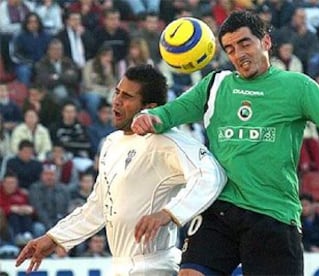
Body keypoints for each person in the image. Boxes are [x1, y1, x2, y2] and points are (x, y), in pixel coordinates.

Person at [131, 10, 319, 275]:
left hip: (272, 214)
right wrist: (147, 117)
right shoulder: (215, 85)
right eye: (230, 49)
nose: (238, 54)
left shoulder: (299, 86)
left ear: (266, 42)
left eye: (244, 43)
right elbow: (168, 114)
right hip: (219, 209)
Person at [15, 65, 227, 275]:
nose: (116, 100)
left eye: (127, 96)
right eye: (117, 92)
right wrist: (54, 238)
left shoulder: (166, 141)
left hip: (155, 266)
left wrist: (170, 213)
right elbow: (98, 207)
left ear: (149, 106)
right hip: (119, 266)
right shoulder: (111, 142)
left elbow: (212, 175)